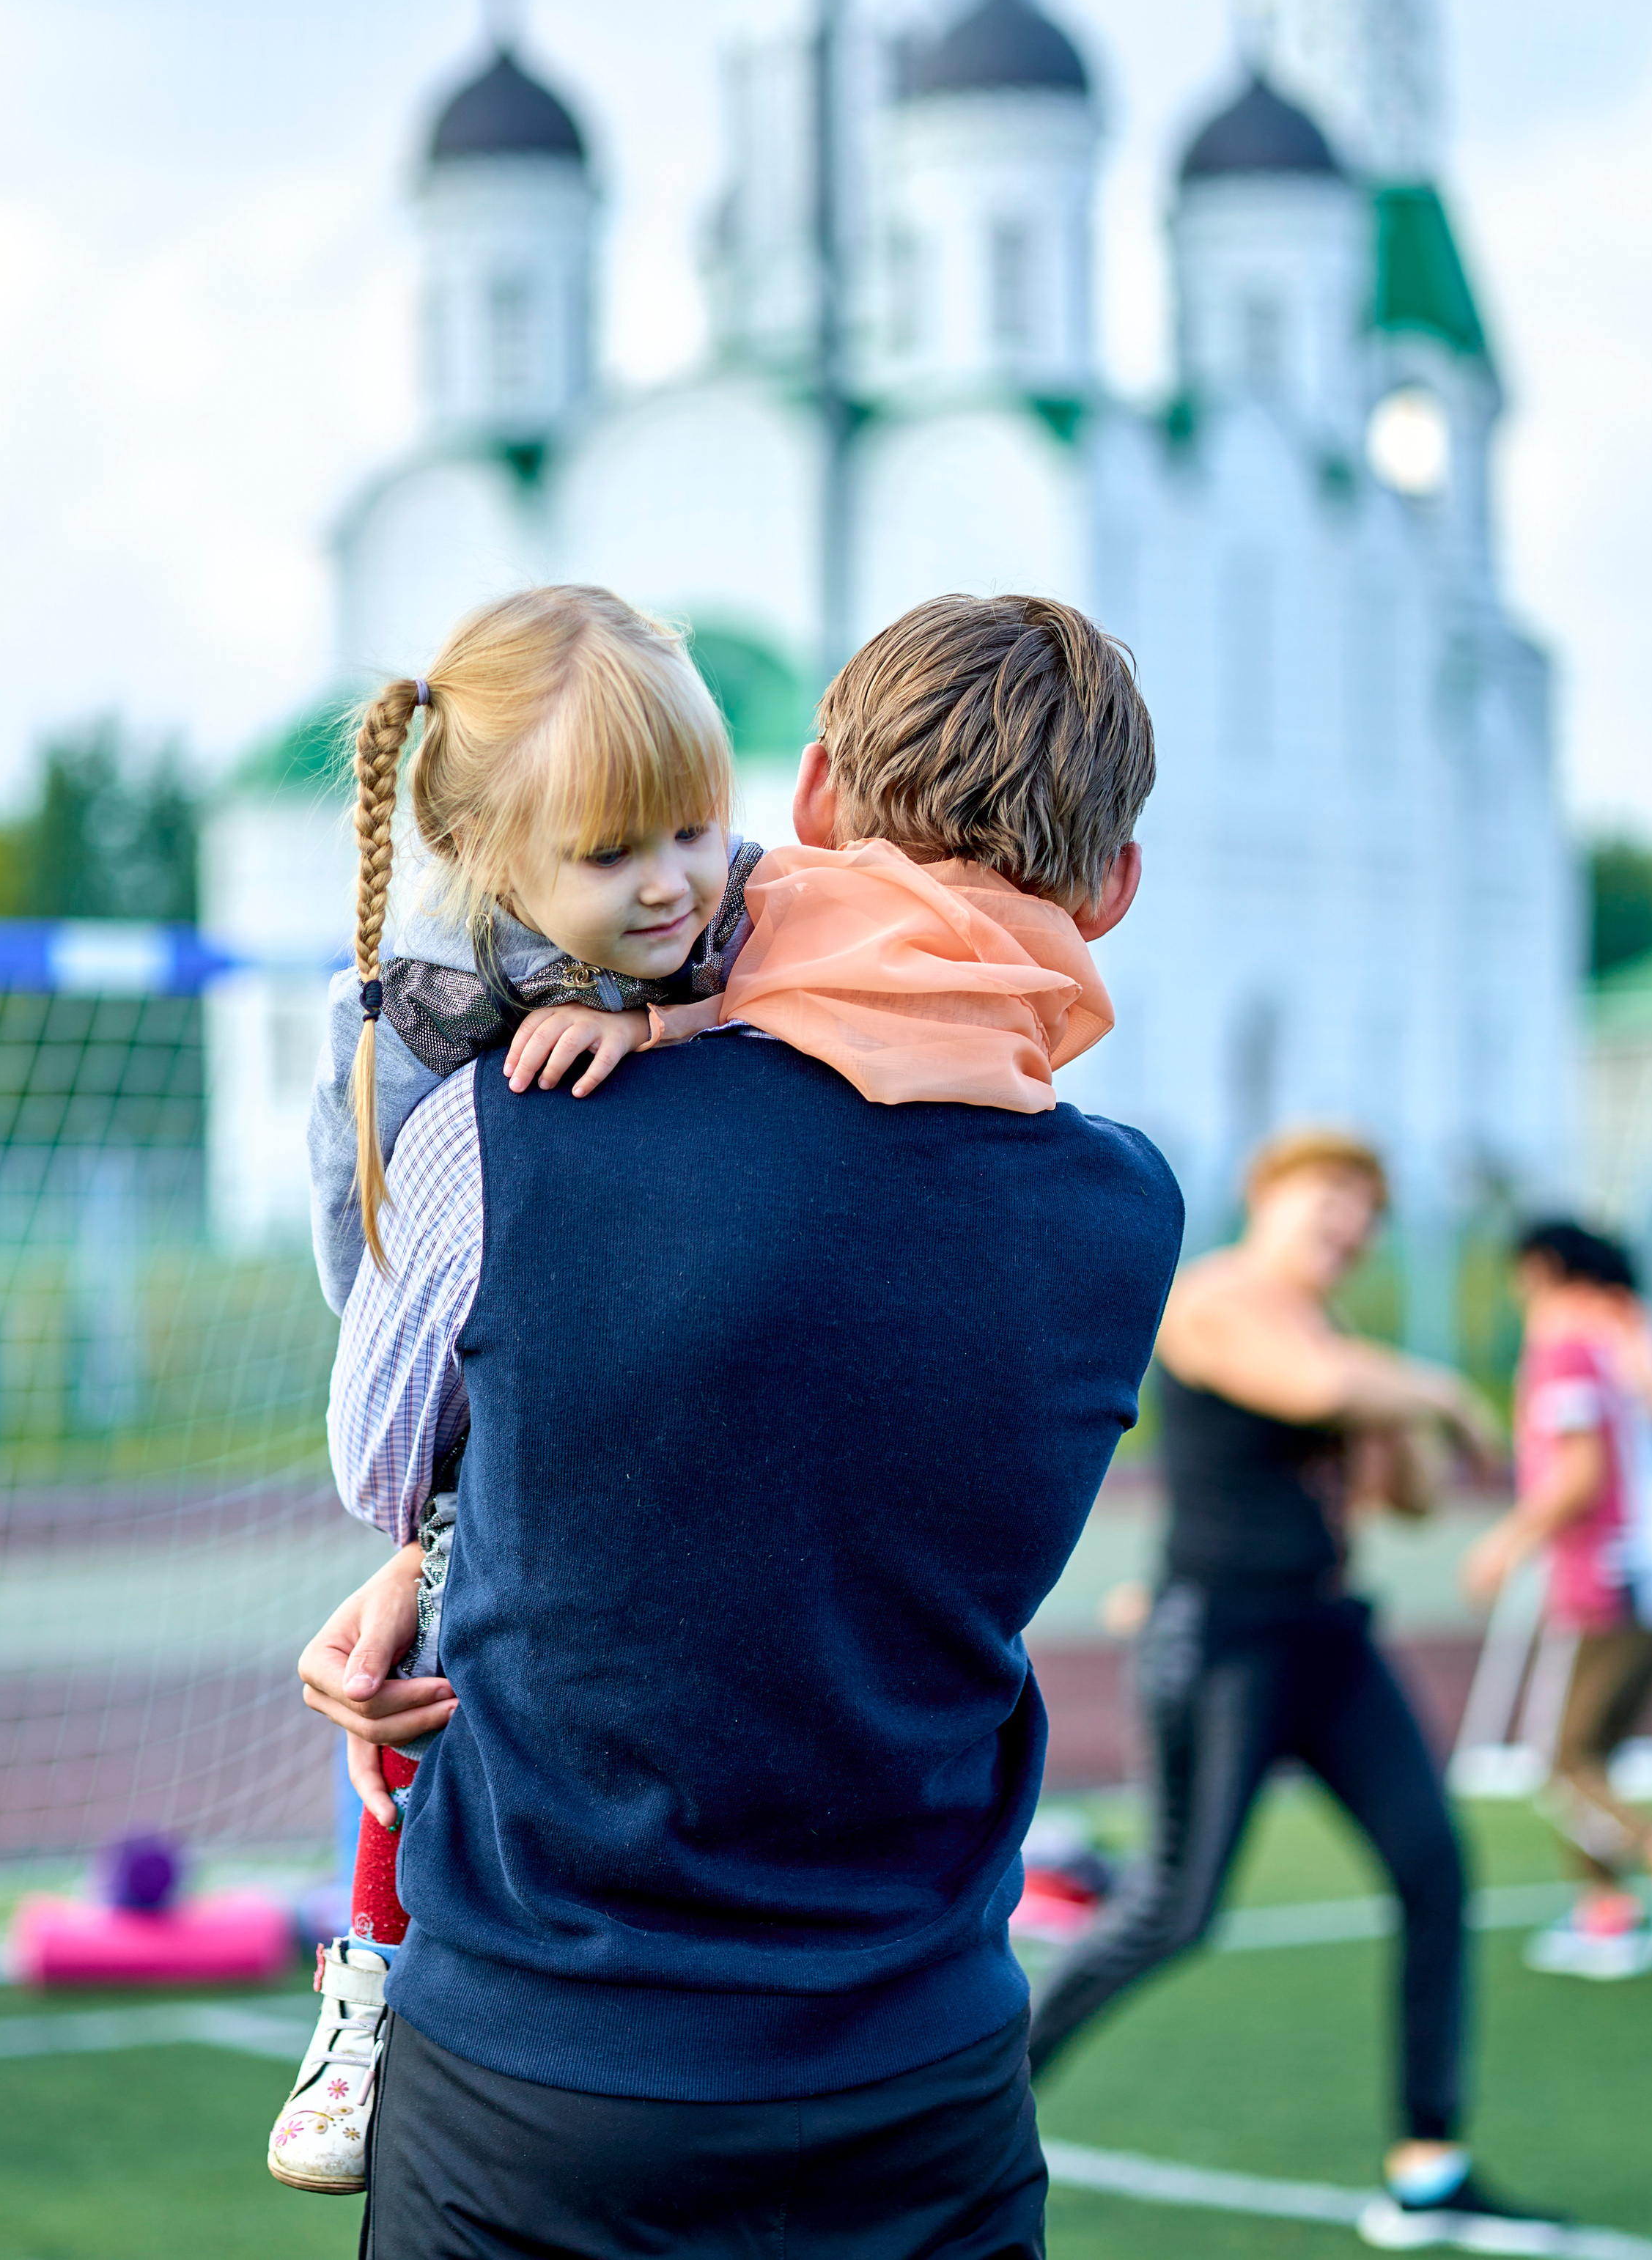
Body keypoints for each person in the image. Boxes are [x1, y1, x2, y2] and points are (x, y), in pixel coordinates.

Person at [297, 590, 1184, 2258]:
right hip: (926, 2086)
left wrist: (437, 1553)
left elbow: (508, 1448)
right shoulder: (1125, 1212)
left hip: (542, 2083)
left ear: (812, 797)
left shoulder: (516, 1119)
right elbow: (821, 1443)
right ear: (1113, 887)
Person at [271, 583, 763, 2190]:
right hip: (473, 1384)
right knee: (430, 1645)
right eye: (613, 856)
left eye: (693, 826)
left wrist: (672, 1017)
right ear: (497, 866)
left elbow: (816, 963)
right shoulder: (424, 1031)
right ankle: (368, 1968)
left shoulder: (740, 915)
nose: (674, 878)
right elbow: (382, 1327)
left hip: (687, 1396)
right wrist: (420, 1526)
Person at [1025, 1129, 1567, 2250]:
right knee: (1173, 1911)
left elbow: (1408, 1500)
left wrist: (1404, 1416)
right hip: (1223, 1643)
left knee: (1433, 1867)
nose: (1350, 1226)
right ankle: (957, 2112)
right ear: (1268, 1199)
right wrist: (1442, 1395)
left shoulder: (1345, 1338)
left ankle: (1430, 2164)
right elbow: (1316, 1385)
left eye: (1367, 1212)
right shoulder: (1215, 1301)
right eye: (1332, 1198)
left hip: (1329, 1634)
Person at [1463, 1218, 1652, 1980]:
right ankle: (1604, 1910)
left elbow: (1578, 1471)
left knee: (1565, 1757)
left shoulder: (1567, 1346)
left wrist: (1506, 1540)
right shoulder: (1624, 1337)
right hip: (1636, 1569)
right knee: (1591, 1753)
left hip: (1606, 1573)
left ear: (1542, 1267)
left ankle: (1633, 1874)